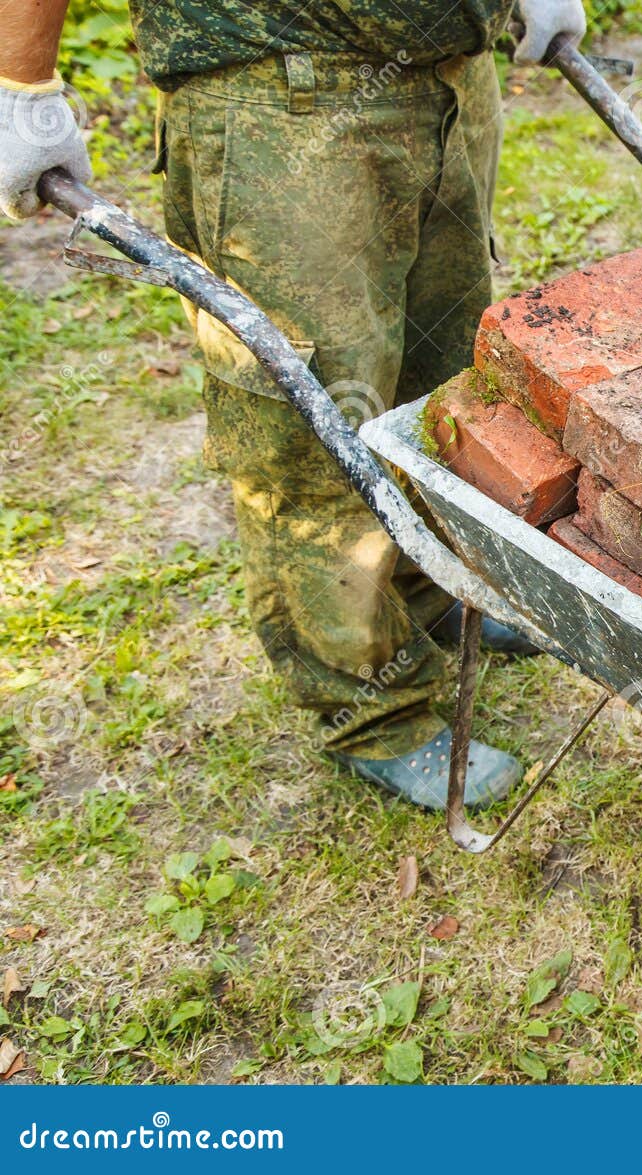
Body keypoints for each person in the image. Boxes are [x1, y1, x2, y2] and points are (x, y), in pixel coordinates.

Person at [0, 0, 587, 810]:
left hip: (447, 76)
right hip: (280, 91)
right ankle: (370, 707)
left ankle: (427, 591)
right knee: (312, 425)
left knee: (440, 375)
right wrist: (21, 83)